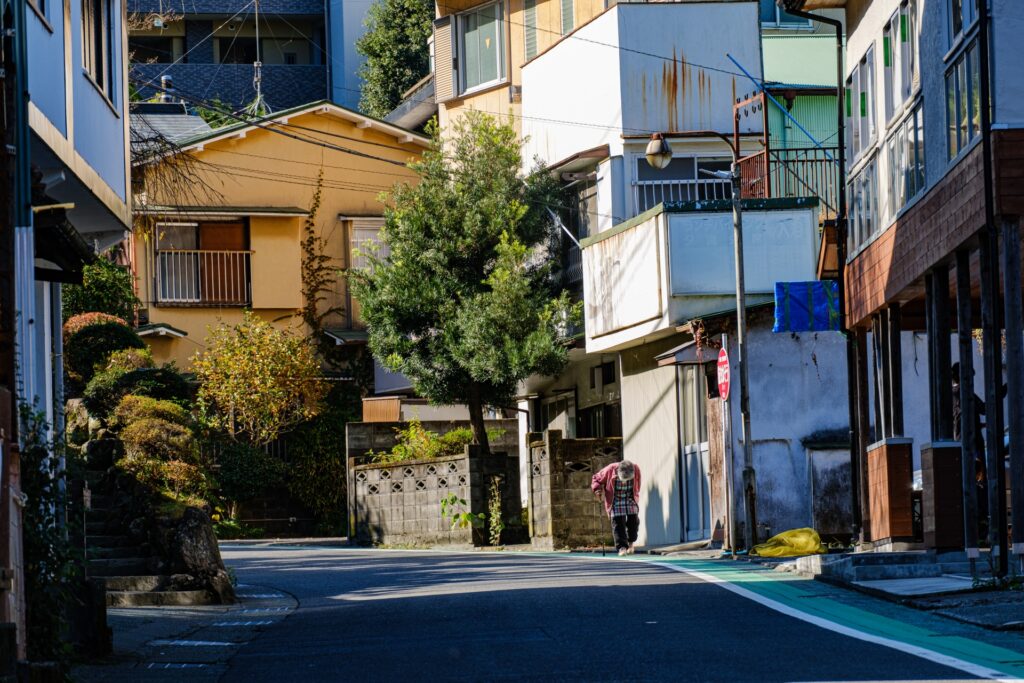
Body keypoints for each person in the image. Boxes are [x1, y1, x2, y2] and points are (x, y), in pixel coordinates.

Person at [592, 460, 641, 556]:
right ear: (618, 471)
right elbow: (596, 478)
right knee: (618, 524)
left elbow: (638, 483)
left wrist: (636, 494)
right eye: (623, 479)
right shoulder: (610, 469)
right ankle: (622, 548)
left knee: (633, 523)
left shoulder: (636, 469)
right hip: (615, 500)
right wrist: (597, 489)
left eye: (627, 479)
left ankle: (631, 543)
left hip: (630, 499)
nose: (624, 482)